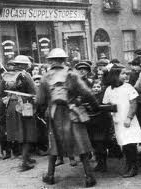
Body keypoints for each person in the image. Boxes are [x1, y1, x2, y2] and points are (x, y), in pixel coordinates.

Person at [36, 48, 98, 187]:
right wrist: (95, 106)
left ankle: (50, 176)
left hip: (55, 113)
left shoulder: (45, 77)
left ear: (50, 61)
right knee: (80, 142)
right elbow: (87, 92)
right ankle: (89, 177)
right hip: (72, 112)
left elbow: (39, 100)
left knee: (54, 143)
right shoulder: (72, 74)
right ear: (64, 60)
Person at [103, 66, 141, 178]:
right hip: (118, 121)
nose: (126, 76)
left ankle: (134, 167)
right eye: (123, 74)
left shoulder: (128, 87)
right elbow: (106, 105)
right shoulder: (109, 89)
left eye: (127, 74)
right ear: (115, 75)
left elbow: (133, 103)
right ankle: (128, 164)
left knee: (130, 144)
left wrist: (129, 118)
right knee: (124, 144)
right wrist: (111, 116)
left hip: (128, 120)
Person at [0, 55, 37, 172]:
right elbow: (34, 92)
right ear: (24, 65)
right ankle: (24, 162)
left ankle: (27, 158)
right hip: (24, 106)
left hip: (10, 106)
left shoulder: (6, 76)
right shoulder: (26, 75)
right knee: (26, 132)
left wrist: (10, 94)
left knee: (18, 132)